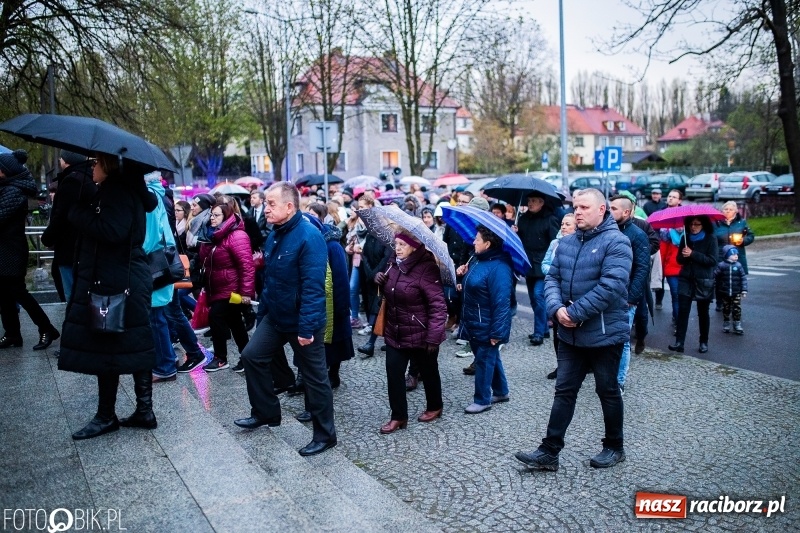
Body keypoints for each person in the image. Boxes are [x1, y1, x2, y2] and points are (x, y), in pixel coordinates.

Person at [515, 188, 632, 471]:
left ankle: (614, 446)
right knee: (564, 391)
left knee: (607, 391)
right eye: (576, 207)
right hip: (569, 334)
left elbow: (611, 286)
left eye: (584, 207)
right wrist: (557, 310)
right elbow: (552, 277)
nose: (577, 212)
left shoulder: (617, 242)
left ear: (602, 210)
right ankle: (549, 451)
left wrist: (575, 313)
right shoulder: (566, 242)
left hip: (604, 334)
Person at [58, 152, 159, 440]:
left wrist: (78, 212)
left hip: (115, 281)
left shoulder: (116, 192)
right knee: (134, 343)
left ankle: (106, 416)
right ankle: (143, 410)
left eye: (96, 163)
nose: (92, 169)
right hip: (126, 278)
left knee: (107, 347)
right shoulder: (127, 190)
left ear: (108, 166)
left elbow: (112, 231)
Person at [236, 182, 338, 457]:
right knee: (252, 356)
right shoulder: (275, 234)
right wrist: (263, 314)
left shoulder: (309, 236)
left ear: (290, 207)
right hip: (276, 315)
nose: (265, 208)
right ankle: (265, 412)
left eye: (271, 204)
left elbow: (313, 287)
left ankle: (325, 435)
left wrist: (306, 328)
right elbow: (271, 280)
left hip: (303, 321)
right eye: (266, 203)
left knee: (315, 379)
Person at [374, 233, 447, 433]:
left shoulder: (427, 268)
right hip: (395, 330)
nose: (397, 248)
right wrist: (380, 279)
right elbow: (391, 290)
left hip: (421, 333)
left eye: (402, 244)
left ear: (414, 247)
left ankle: (435, 406)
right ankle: (398, 417)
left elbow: (438, 306)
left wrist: (434, 336)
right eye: (396, 243)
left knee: (429, 371)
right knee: (393, 373)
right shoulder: (393, 263)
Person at [0, 149, 62, 350]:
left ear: (5, 171)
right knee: (4, 294)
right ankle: (12, 334)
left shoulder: (13, 191)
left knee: (19, 292)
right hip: (6, 249)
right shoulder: (7, 188)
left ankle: (47, 328)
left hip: (12, 250)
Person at [458, 225, 514, 414]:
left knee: (484, 360)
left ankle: (482, 400)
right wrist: (463, 275)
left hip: (487, 324)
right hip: (475, 321)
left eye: (477, 239)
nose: (473, 241)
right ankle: (501, 391)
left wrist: (497, 332)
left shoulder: (500, 268)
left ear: (488, 244)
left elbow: (502, 303)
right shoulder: (476, 259)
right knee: (490, 357)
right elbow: (474, 286)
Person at [197, 202, 255, 372]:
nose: (212, 218)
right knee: (235, 322)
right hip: (217, 287)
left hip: (231, 288)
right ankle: (247, 357)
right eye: (211, 215)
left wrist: (246, 292)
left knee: (216, 317)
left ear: (227, 217)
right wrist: (206, 239)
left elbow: (246, 265)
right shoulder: (215, 235)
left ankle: (221, 358)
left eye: (216, 215)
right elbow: (205, 259)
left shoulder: (237, 236)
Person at [609, 196, 650, 395]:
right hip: (609, 295)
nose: (609, 211)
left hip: (627, 297)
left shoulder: (637, 235)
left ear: (626, 212)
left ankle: (619, 381)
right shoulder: (607, 230)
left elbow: (642, 269)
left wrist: (631, 298)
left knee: (623, 340)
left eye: (614, 208)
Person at [41, 150, 94, 303]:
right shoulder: (87, 178)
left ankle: (76, 325)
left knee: (72, 296)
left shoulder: (72, 181)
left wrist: (47, 238)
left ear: (67, 160)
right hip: (81, 247)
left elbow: (60, 216)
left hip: (69, 248)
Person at [668, 216, 719, 354]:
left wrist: (693, 254)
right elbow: (679, 260)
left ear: (703, 225)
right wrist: (684, 255)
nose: (693, 227)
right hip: (686, 278)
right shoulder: (686, 237)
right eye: (691, 224)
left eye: (697, 224)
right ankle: (679, 342)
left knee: (703, 312)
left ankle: (703, 342)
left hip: (703, 280)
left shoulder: (710, 238)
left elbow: (712, 260)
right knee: (683, 310)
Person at [515, 192, 560, 346]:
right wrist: (515, 232)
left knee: (539, 295)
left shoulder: (550, 219)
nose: (530, 203)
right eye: (529, 200)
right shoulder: (523, 219)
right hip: (528, 263)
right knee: (534, 299)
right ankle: (544, 329)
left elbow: (555, 244)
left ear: (542, 202)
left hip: (543, 264)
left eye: (534, 201)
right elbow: (520, 240)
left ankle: (539, 332)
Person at [540, 213, 577, 380]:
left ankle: (579, 365)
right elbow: (545, 264)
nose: (563, 227)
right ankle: (561, 365)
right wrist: (555, 274)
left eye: (568, 224)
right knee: (557, 332)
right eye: (562, 223)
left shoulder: (580, 245)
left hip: (574, 294)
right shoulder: (555, 243)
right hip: (557, 293)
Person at [656, 189, 684, 323]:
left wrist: (679, 231)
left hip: (676, 260)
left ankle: (677, 320)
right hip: (661, 256)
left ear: (680, 201)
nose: (671, 198)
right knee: (658, 285)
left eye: (674, 197)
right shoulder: (660, 214)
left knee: (676, 294)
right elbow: (654, 233)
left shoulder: (684, 217)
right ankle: (658, 300)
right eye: (669, 196)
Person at [714, 201, 754, 274]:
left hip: (737, 257)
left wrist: (743, 241)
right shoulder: (716, 223)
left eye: (731, 209)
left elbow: (751, 236)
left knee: (736, 281)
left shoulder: (741, 223)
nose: (728, 211)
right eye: (726, 209)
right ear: (722, 211)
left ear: (736, 212)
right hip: (720, 257)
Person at [715, 245, 747, 334]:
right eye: (733, 255)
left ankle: (737, 324)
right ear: (727, 255)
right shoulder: (721, 265)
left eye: (736, 255)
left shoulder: (739, 265)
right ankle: (726, 323)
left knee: (737, 308)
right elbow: (715, 276)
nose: (736, 256)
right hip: (725, 291)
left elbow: (743, 278)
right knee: (726, 308)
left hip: (736, 291)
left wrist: (744, 290)